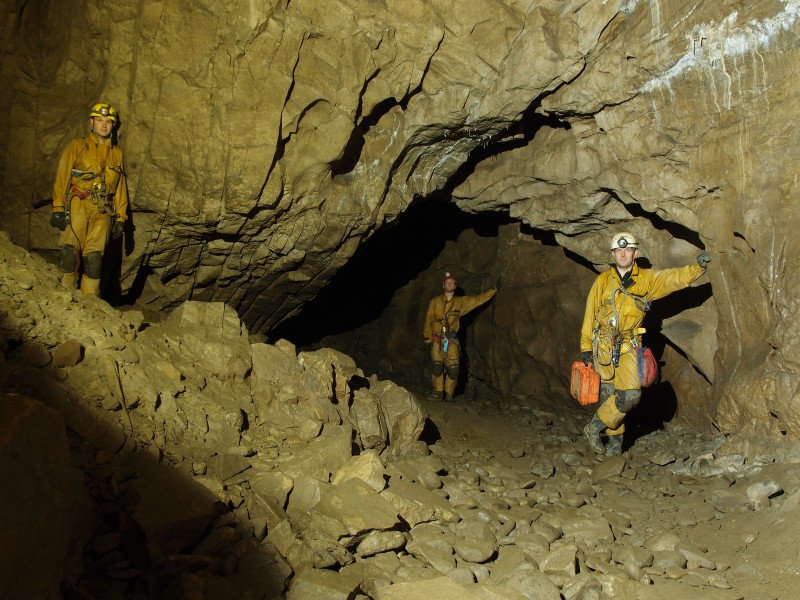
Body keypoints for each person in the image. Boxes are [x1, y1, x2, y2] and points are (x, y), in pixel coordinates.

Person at [580, 232, 710, 456]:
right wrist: (586, 348)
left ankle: (593, 428)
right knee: (609, 397)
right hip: (603, 347)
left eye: (627, 250)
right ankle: (614, 448)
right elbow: (589, 315)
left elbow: (673, 278)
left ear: (635, 253)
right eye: (619, 250)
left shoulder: (647, 279)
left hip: (628, 345)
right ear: (613, 254)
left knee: (630, 396)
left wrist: (697, 268)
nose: (623, 254)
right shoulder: (602, 281)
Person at [50, 102, 129, 296]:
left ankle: (90, 302)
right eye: (99, 120)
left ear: (113, 126)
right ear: (91, 122)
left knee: (94, 259)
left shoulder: (116, 153)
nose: (104, 125)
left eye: (108, 122)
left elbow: (120, 188)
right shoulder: (77, 145)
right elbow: (62, 177)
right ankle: (63, 296)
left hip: (103, 209)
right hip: (78, 203)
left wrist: (121, 217)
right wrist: (58, 207)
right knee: (69, 253)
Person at [423, 272, 497, 402]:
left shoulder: (461, 302)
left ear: (455, 286)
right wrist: (427, 337)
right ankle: (437, 392)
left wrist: (493, 291)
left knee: (453, 368)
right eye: (447, 282)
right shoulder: (435, 301)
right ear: (443, 285)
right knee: (437, 366)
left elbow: (478, 299)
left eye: (452, 283)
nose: (449, 284)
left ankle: (449, 394)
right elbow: (428, 319)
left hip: (451, 340)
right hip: (437, 339)